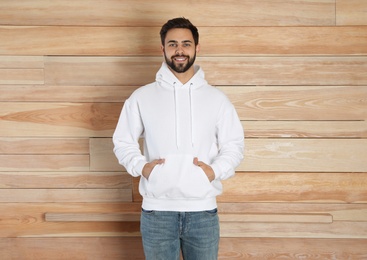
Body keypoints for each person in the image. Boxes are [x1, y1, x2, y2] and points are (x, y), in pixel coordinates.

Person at [113, 17, 244, 260]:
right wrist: (143, 167)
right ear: (162, 49)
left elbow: (234, 146)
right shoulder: (142, 97)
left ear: (197, 48)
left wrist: (213, 172)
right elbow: (123, 141)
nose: (180, 50)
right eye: (172, 44)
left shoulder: (217, 99)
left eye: (186, 43)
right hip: (157, 213)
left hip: (202, 211)